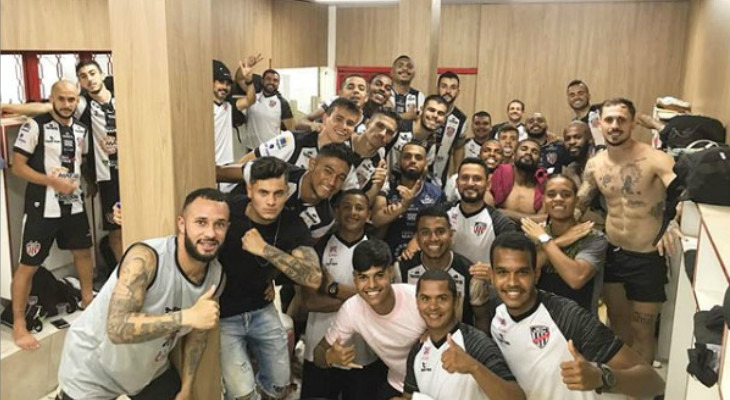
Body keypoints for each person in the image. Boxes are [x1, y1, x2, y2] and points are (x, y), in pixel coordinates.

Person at [56, 188, 228, 400]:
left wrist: (186, 387)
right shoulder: (146, 259)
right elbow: (117, 328)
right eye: (201, 222)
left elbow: (197, 334)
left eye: (219, 224)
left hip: (146, 370)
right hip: (92, 368)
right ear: (182, 224)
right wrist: (187, 316)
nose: (210, 233)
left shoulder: (216, 277)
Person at [488, 232, 665, 399]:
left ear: (536, 274)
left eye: (522, 272)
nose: (512, 282)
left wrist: (601, 378)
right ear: (492, 276)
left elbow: (654, 383)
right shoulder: (495, 311)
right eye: (503, 272)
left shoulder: (567, 317)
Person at [576, 98, 681, 365]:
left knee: (642, 330)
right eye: (609, 120)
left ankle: (643, 383)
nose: (615, 125)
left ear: (633, 123)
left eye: (621, 120)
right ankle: (623, 380)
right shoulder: (595, 165)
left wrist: (672, 222)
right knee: (617, 324)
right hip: (613, 252)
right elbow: (580, 202)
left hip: (647, 256)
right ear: (600, 123)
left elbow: (682, 193)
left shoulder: (655, 159)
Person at [217, 157, 322, 400]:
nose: (271, 201)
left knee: (279, 386)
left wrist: (265, 250)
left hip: (260, 308)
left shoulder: (292, 224)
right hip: (224, 314)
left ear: (287, 193)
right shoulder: (228, 210)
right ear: (249, 190)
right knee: (242, 393)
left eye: (278, 193)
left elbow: (314, 278)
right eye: (263, 192)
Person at [3, 60, 124, 260]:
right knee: (116, 230)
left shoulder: (122, 96)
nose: (89, 79)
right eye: (83, 77)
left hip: (133, 172)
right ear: (80, 83)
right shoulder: (81, 104)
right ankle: (124, 273)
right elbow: (44, 108)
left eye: (92, 73)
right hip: (108, 178)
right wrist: (5, 106)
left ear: (102, 75)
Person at [10, 80, 94, 350]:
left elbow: (81, 162)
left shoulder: (81, 129)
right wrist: (51, 181)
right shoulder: (36, 126)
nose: (67, 105)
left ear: (77, 100)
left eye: (72, 99)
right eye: (62, 99)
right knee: (28, 265)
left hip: (74, 205)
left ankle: (88, 301)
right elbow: (17, 167)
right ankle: (19, 323)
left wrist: (87, 184)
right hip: (42, 208)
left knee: (83, 253)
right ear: (52, 98)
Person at [300, 189, 386, 400]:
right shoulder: (318, 246)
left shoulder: (378, 250)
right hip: (319, 346)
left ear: (368, 214)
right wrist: (360, 299)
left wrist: (333, 288)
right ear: (336, 211)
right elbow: (310, 301)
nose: (353, 212)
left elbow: (380, 300)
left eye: (359, 208)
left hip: (362, 351)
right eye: (346, 207)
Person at [312, 239, 426, 400]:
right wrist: (329, 357)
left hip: (437, 384)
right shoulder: (352, 309)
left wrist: (436, 333)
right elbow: (318, 352)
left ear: (391, 272)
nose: (371, 285)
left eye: (379, 275)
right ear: (355, 278)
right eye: (363, 277)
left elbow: (455, 334)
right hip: (398, 384)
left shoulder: (416, 298)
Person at [400, 270, 524, 400]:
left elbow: (517, 398)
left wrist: (473, 367)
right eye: (425, 298)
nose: (433, 307)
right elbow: (409, 396)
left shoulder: (476, 343)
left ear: (457, 301)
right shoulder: (418, 349)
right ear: (417, 302)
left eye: (442, 298)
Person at [521, 174, 607, 313]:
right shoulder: (534, 235)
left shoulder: (594, 238)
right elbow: (523, 270)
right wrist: (561, 241)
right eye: (551, 194)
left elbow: (576, 278)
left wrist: (545, 241)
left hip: (580, 319)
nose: (558, 199)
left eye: (566, 194)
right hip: (539, 317)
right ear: (543, 200)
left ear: (576, 200)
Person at [396, 207, 489, 328]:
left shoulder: (470, 273)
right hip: (414, 337)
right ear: (417, 238)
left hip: (458, 338)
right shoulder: (401, 269)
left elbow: (482, 320)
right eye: (425, 232)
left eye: (440, 231)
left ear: (451, 234)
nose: (433, 238)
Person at [235, 97, 361, 169]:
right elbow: (249, 159)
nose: (344, 127)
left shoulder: (347, 157)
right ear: (325, 118)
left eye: (350, 123)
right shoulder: (291, 141)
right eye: (338, 119)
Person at [373, 141, 445, 258]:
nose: (412, 161)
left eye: (418, 158)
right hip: (386, 256)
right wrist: (402, 207)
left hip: (423, 256)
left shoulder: (436, 194)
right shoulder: (387, 188)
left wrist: (417, 240)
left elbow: (440, 229)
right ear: (399, 161)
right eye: (407, 157)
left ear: (425, 163)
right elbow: (376, 221)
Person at [212, 58, 259, 192]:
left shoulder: (229, 106)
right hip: (207, 166)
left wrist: (249, 81)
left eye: (228, 84)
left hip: (225, 168)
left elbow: (250, 100)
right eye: (221, 82)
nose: (224, 87)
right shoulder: (202, 106)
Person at [385, 95, 449, 178]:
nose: (435, 115)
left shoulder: (431, 145)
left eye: (440, 113)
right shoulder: (399, 128)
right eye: (431, 110)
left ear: (444, 119)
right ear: (422, 110)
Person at [345, 110, 399, 204]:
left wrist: (377, 187)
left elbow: (360, 206)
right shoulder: (343, 140)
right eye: (380, 126)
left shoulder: (379, 160)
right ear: (367, 124)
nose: (382, 134)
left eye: (389, 132)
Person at [490, 139, 547, 223]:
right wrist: (533, 218)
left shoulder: (544, 185)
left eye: (534, 152)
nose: (528, 153)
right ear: (513, 155)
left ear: (539, 160)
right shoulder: (499, 176)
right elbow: (489, 211)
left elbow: (545, 219)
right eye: (524, 149)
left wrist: (506, 214)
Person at [242, 68, 295, 150]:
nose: (271, 82)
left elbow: (291, 131)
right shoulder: (252, 98)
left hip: (271, 150)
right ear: (262, 81)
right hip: (251, 149)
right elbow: (240, 81)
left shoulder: (282, 103)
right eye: (268, 79)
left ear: (278, 84)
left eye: (275, 80)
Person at [432, 71, 469, 186]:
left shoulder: (461, 119)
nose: (448, 91)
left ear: (458, 92)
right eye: (444, 86)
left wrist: (457, 174)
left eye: (453, 87)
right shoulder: (426, 110)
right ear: (437, 88)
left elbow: (459, 147)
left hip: (440, 177)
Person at [296, 74, 369, 133]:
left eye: (361, 89)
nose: (356, 91)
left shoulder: (367, 124)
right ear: (340, 94)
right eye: (350, 87)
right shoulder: (329, 106)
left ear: (366, 97)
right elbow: (300, 123)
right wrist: (313, 125)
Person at [566, 80, 603, 146]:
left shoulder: (602, 111)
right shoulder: (575, 125)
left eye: (580, 93)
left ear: (588, 96)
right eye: (572, 95)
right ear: (568, 99)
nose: (576, 97)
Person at [390, 55, 425, 123]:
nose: (405, 69)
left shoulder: (419, 96)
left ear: (414, 74)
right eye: (400, 66)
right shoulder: (386, 93)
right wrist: (406, 116)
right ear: (392, 72)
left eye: (409, 67)